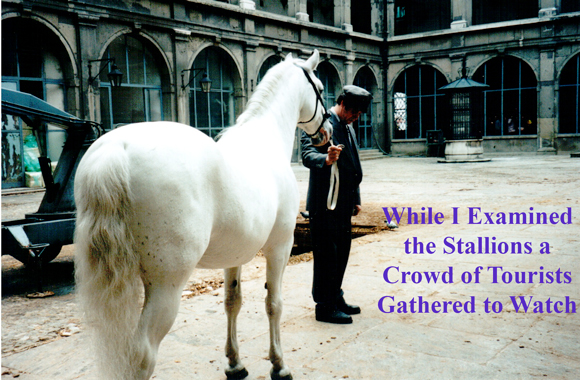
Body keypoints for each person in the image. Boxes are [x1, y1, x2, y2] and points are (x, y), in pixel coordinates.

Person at [300, 85, 372, 324]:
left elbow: (352, 162)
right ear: (343, 104)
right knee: (326, 255)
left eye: (360, 114)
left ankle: (336, 296)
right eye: (355, 112)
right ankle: (324, 306)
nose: (356, 118)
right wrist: (326, 159)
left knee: (341, 252)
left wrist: (356, 199)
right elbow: (307, 154)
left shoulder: (347, 127)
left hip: (343, 203)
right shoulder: (321, 123)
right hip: (324, 203)